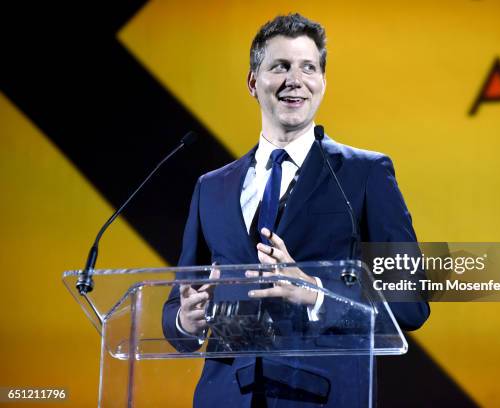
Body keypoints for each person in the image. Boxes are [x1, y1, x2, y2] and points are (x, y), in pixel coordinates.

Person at [162, 13, 429, 407]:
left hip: (322, 396)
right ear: (253, 82)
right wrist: (186, 320)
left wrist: (317, 293)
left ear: (322, 82)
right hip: (225, 397)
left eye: (308, 67)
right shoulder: (211, 187)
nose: (295, 79)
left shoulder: (365, 174)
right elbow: (176, 307)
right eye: (280, 67)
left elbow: (411, 302)